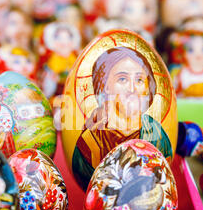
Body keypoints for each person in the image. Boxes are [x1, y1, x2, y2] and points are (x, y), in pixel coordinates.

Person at [72, 46, 172, 190]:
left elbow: (163, 175)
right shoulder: (89, 143)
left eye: (139, 80)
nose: (132, 88)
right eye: (123, 79)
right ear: (105, 85)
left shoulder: (156, 134)